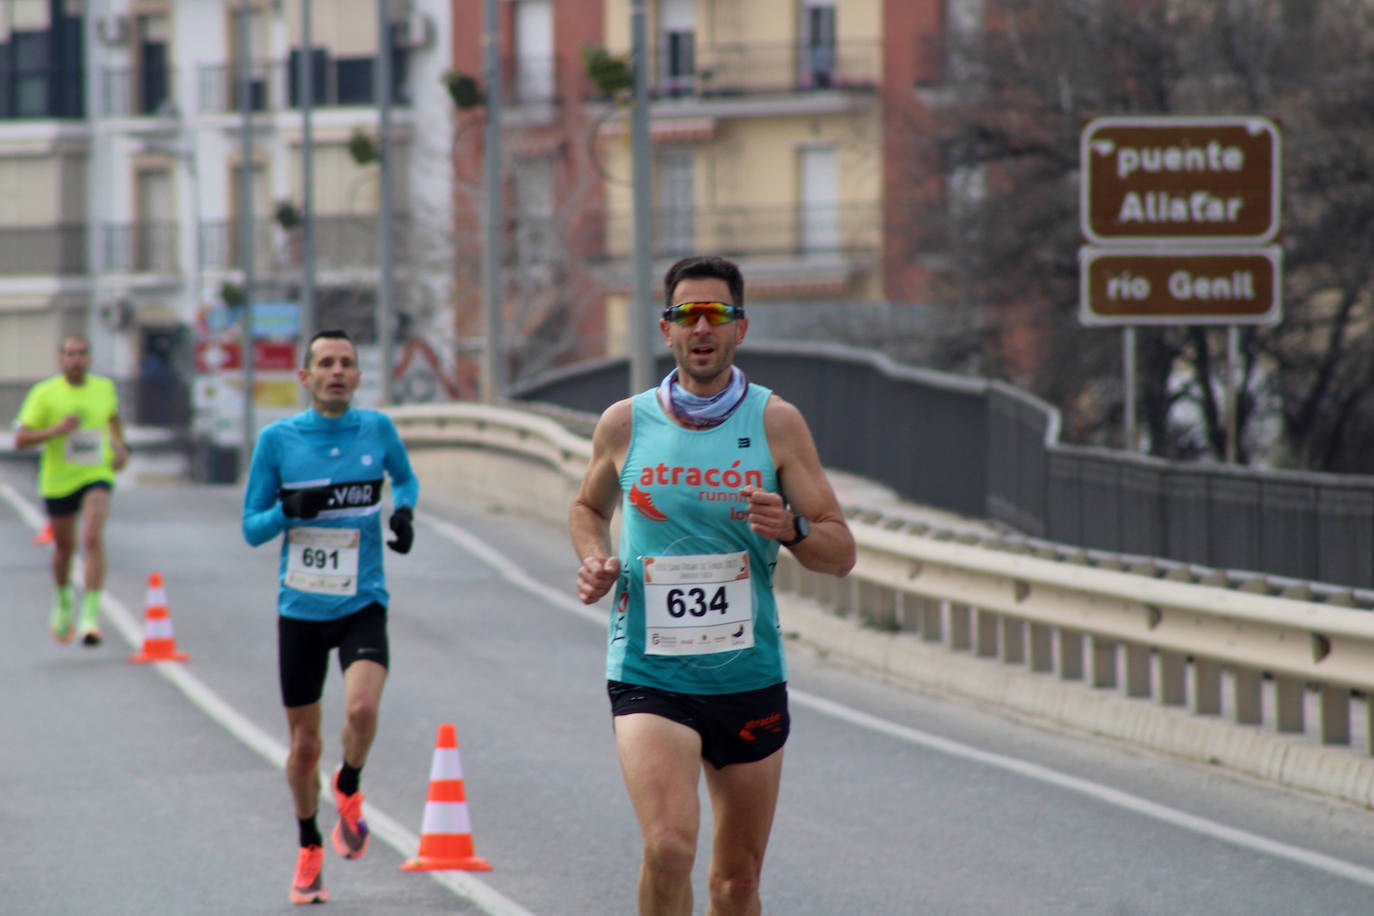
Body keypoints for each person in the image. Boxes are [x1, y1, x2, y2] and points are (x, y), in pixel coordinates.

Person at [569, 255, 856, 915]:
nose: (702, 327)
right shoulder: (625, 423)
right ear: (666, 329)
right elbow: (588, 508)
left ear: (740, 329)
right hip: (649, 670)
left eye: (717, 314)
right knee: (670, 846)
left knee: (735, 884)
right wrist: (595, 558)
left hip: (746, 675)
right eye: (687, 314)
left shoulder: (776, 423)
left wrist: (790, 527)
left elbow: (840, 552)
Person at [241, 329, 418, 905]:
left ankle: (349, 785)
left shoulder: (378, 430)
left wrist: (405, 513)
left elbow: (405, 478)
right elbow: (251, 527)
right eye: (325, 363)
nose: (336, 371)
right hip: (300, 608)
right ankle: (309, 843)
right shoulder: (278, 440)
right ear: (306, 377)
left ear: (358, 375)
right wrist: (287, 510)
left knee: (363, 708)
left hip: (362, 600)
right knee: (303, 747)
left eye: (346, 362)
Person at [14, 334, 130, 647]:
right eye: (70, 354)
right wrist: (57, 430)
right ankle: (64, 599)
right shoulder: (45, 394)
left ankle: (90, 616)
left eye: (81, 353)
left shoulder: (103, 389)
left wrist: (120, 447)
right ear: (60, 359)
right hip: (58, 480)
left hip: (96, 474)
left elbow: (113, 419)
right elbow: (20, 439)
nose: (76, 359)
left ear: (89, 358)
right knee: (64, 549)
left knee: (91, 538)